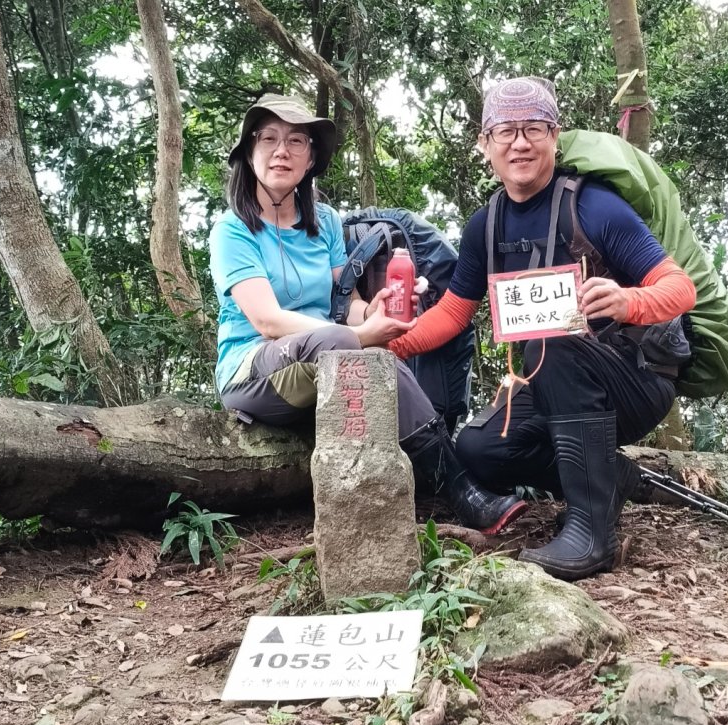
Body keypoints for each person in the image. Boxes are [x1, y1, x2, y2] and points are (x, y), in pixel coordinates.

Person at [388, 77, 697, 580]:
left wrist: (628, 300)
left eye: (534, 128)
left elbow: (680, 288)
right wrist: (384, 343)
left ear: (555, 136)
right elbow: (451, 314)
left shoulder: (593, 206)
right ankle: (610, 477)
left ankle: (591, 533)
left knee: (554, 336)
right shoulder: (485, 226)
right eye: (505, 130)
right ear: (485, 143)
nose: (520, 142)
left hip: (634, 380)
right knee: (479, 449)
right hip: (554, 377)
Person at [209, 92, 524, 529]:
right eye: (269, 138)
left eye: (296, 141)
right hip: (254, 371)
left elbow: (346, 304)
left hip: (324, 361)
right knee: (344, 343)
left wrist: (374, 312)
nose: (282, 151)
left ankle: (449, 483)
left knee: (354, 346)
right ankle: (460, 489)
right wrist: (357, 336)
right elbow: (267, 320)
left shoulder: (324, 222)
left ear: (310, 158)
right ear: (249, 151)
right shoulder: (232, 230)